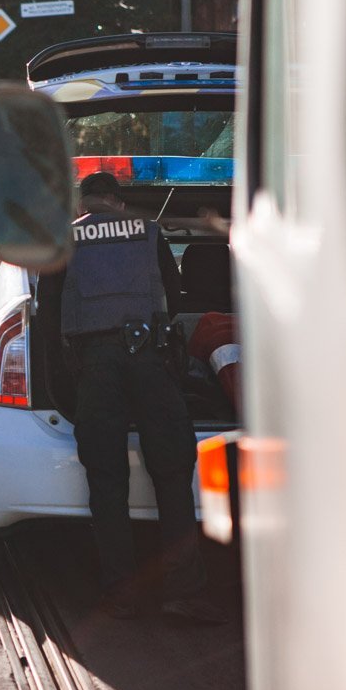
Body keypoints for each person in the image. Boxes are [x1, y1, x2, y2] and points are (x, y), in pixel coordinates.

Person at [38, 171, 225, 625]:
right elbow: (174, 297)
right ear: (118, 203)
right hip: (151, 359)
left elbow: (49, 311)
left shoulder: (66, 238)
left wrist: (70, 374)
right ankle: (184, 592)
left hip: (95, 367)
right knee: (172, 471)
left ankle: (122, 594)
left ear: (85, 206)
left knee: (106, 479)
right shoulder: (148, 231)